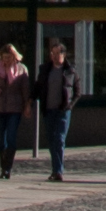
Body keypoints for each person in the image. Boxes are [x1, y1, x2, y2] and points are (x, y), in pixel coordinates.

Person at [0, 40, 31, 177]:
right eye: (4, 57)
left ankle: (8, 167)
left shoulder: (22, 69)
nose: (6, 60)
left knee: (11, 137)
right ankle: (3, 167)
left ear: (14, 57)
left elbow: (26, 90)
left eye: (9, 57)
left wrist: (27, 105)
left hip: (15, 108)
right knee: (1, 139)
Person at [36, 38, 78, 181]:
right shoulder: (45, 70)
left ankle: (58, 171)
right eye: (52, 53)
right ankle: (55, 169)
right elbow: (38, 87)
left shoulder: (70, 71)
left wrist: (69, 106)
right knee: (51, 140)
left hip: (63, 111)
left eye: (57, 53)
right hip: (48, 110)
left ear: (63, 55)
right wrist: (30, 101)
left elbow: (77, 92)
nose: (54, 56)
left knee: (59, 139)